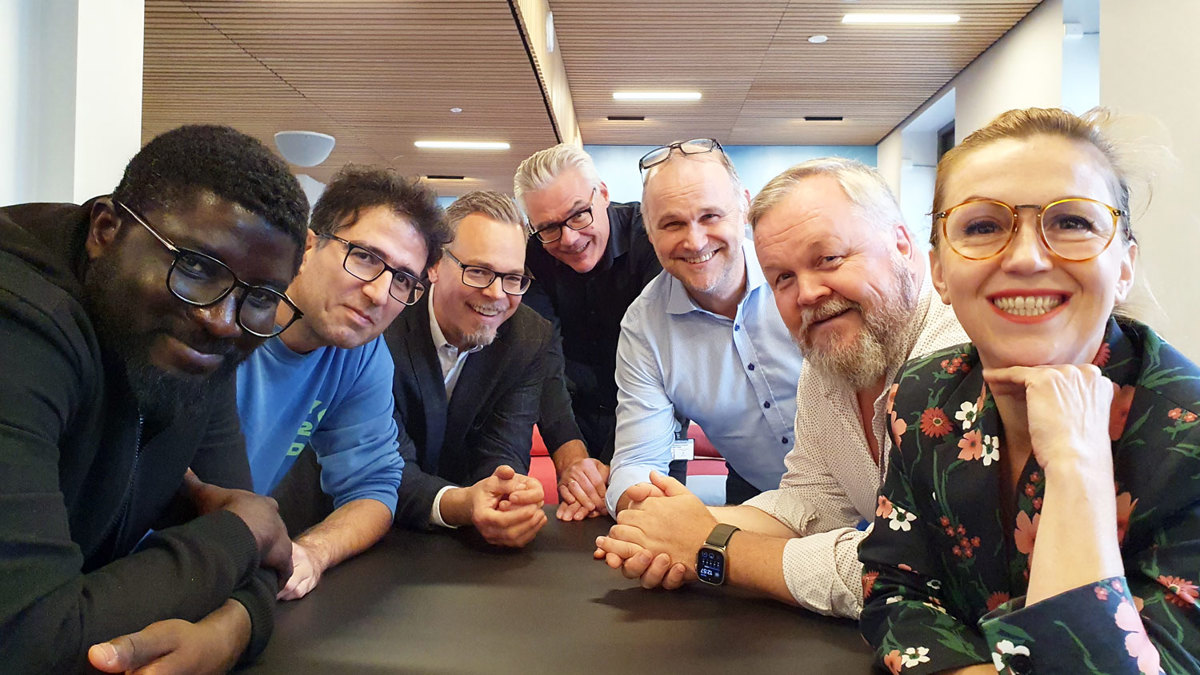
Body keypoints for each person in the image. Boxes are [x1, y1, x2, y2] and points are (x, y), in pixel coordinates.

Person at [859, 107, 1200, 674]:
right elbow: (896, 592)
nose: (1026, 257)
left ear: (1124, 267)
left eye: (1071, 222)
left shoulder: (1188, 434)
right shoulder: (921, 398)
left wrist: (1078, 467)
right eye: (982, 226)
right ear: (939, 272)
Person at [595, 158, 966, 616]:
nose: (807, 293)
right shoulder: (825, 367)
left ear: (903, 244)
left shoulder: (959, 356)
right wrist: (671, 528)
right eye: (784, 278)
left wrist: (714, 549)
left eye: (828, 258)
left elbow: (922, 567)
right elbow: (812, 501)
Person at [0, 125, 309, 672]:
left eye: (260, 297)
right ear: (105, 230)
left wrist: (233, 630)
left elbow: (262, 536)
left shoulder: (206, 340)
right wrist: (236, 536)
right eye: (194, 266)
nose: (221, 320)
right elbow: (25, 642)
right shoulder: (18, 324)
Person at [237, 165, 450, 600]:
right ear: (309, 245)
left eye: (403, 279)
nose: (378, 293)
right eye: (366, 256)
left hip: (226, 565)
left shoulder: (362, 355)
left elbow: (373, 488)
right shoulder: (225, 323)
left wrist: (313, 552)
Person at [605, 139, 803, 515]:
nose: (695, 242)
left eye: (710, 216)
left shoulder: (803, 277)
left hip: (879, 493)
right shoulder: (644, 326)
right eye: (672, 223)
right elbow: (637, 460)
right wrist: (648, 511)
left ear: (744, 207)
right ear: (649, 233)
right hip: (761, 502)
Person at [386, 190, 565, 547]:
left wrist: (505, 492)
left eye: (513, 278)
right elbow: (384, 466)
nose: (498, 294)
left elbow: (505, 448)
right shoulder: (383, 325)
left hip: (470, 547)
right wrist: (462, 504)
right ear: (433, 264)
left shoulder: (529, 337)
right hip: (375, 531)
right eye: (479, 271)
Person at [515, 144, 662, 520]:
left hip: (651, 419)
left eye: (579, 215)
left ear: (605, 194)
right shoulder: (531, 257)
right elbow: (542, 358)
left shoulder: (652, 240)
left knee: (652, 530)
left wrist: (618, 463)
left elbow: (660, 357)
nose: (568, 239)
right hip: (569, 416)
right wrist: (573, 461)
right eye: (548, 227)